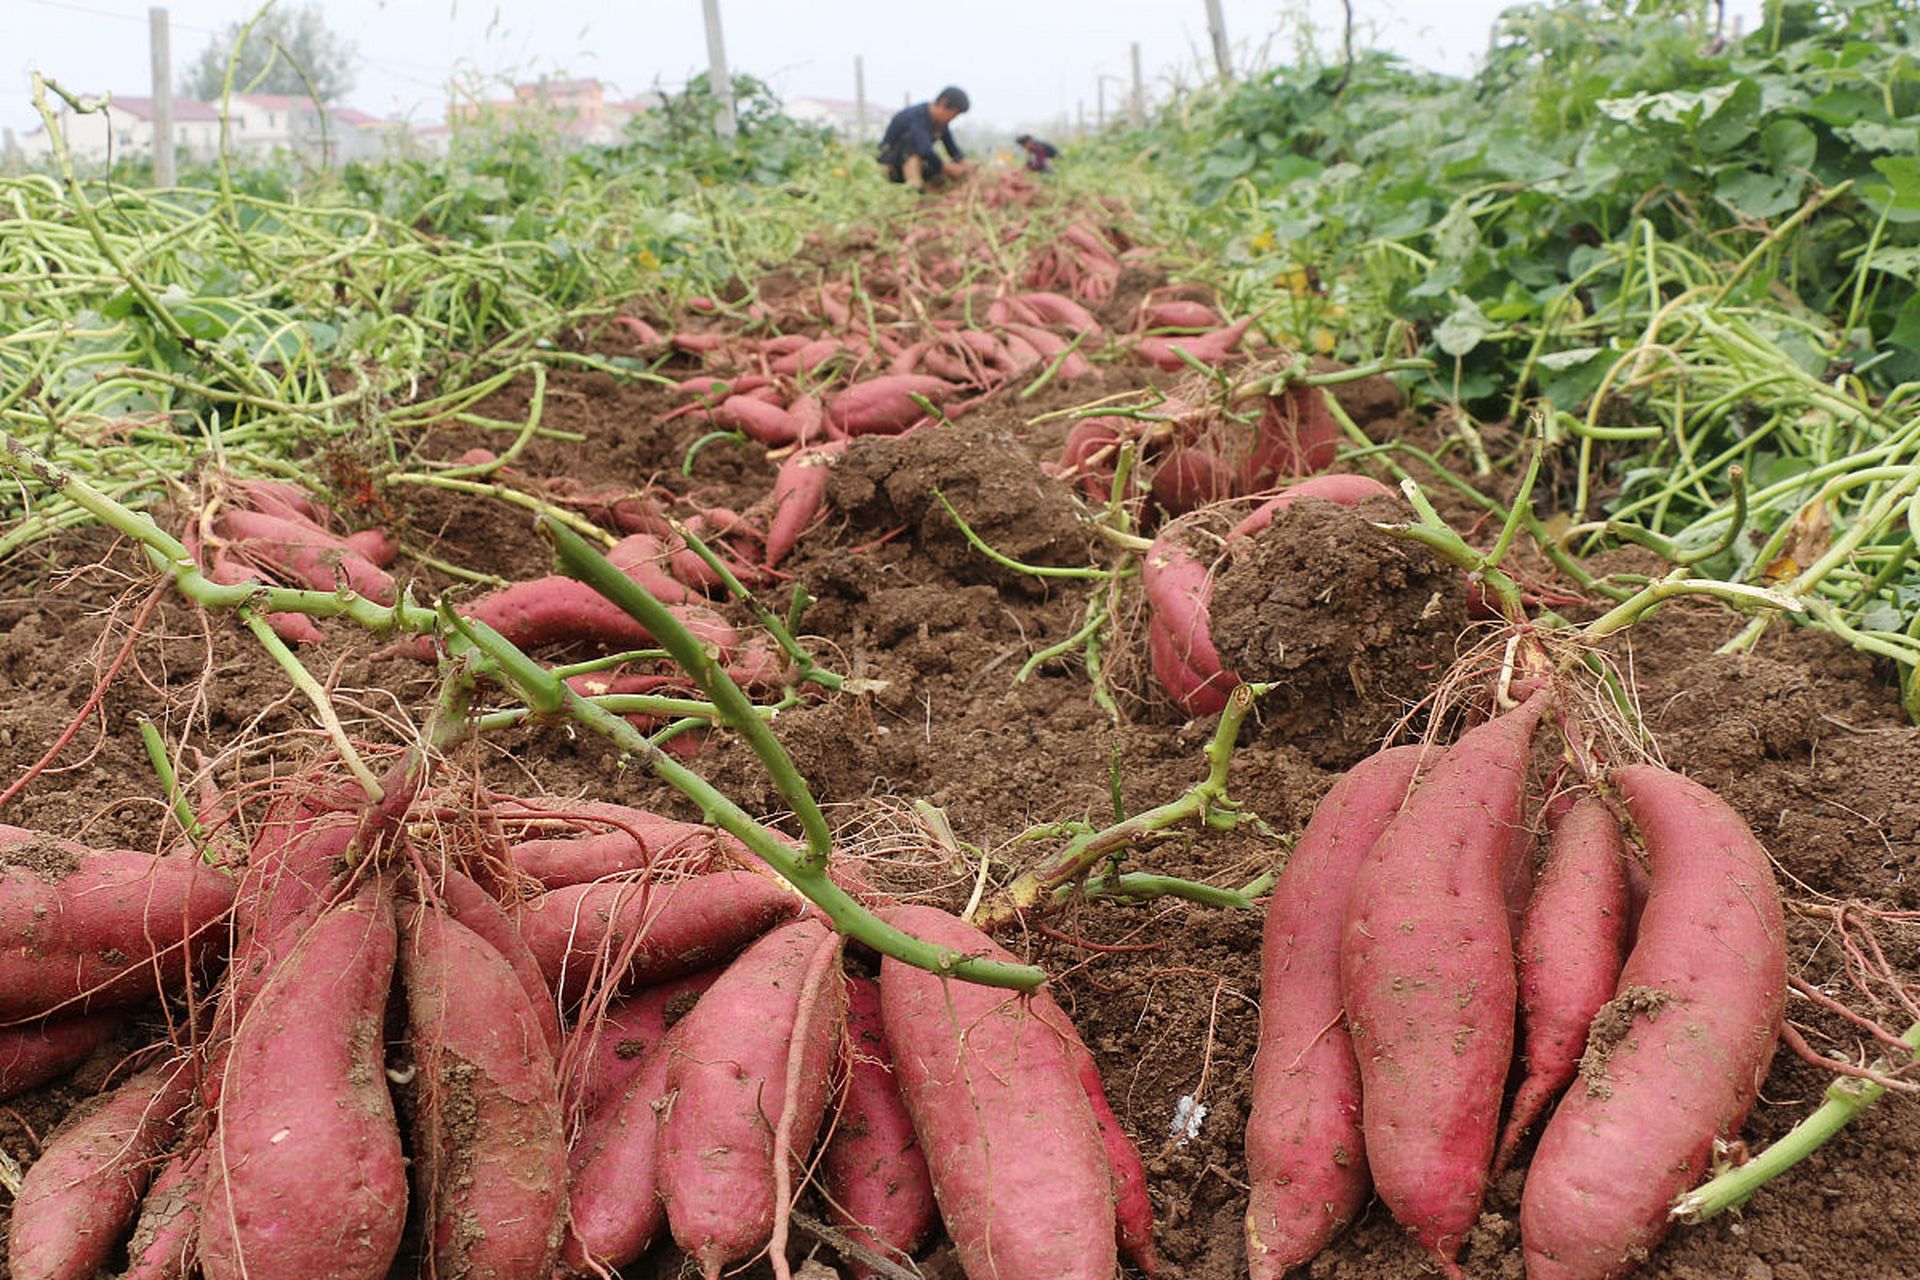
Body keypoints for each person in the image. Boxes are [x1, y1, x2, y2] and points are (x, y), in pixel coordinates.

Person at [877, 86, 972, 191]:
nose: (952, 120)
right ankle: (915, 188)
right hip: (891, 165)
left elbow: (952, 149)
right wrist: (946, 167)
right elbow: (924, 149)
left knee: (937, 170)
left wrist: (966, 166)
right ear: (943, 103)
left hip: (914, 166)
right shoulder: (916, 117)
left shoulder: (940, 125)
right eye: (953, 116)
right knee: (912, 140)